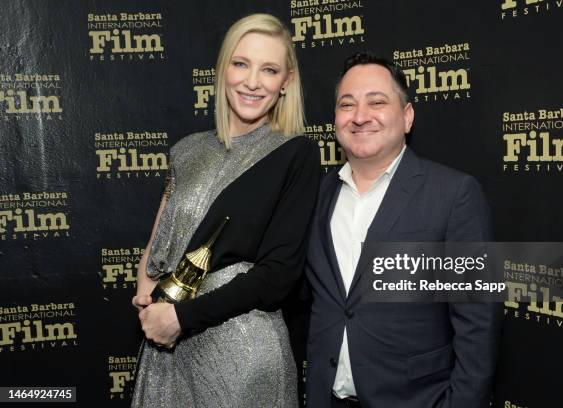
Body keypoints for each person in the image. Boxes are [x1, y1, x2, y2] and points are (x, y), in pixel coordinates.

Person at [130, 14, 319, 408]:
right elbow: (159, 239)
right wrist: (147, 293)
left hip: (243, 353)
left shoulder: (294, 153)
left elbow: (279, 275)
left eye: (268, 70)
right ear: (222, 70)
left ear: (286, 82)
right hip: (167, 345)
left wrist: (181, 318)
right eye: (241, 63)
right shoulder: (185, 150)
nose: (252, 81)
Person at [305, 52, 502, 408]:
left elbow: (479, 323)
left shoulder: (454, 194)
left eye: (377, 102)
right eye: (347, 105)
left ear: (407, 116)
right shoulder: (318, 194)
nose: (360, 116)